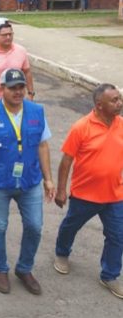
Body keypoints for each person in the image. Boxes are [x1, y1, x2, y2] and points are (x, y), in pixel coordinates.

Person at [0, 68, 55, 295]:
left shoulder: (37, 111)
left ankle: (24, 269)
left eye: (21, 87)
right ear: (1, 88)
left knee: (35, 226)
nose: (18, 92)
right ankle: (1, 269)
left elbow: (43, 145)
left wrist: (49, 179)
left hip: (30, 181)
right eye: (12, 87)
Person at [53, 84, 123, 299]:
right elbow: (66, 161)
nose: (119, 103)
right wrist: (61, 190)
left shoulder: (121, 125)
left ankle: (110, 275)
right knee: (71, 226)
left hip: (115, 195)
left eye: (119, 98)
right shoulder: (81, 127)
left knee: (117, 236)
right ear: (99, 105)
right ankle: (62, 253)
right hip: (85, 195)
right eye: (114, 100)